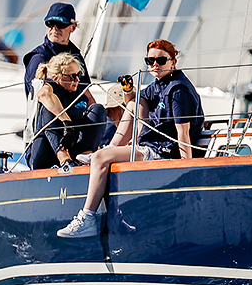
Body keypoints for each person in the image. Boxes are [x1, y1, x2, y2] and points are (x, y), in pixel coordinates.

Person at [57, 39, 204, 238]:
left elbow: (183, 133)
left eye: (160, 60)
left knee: (100, 159)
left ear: (173, 62)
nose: (154, 65)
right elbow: (134, 104)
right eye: (150, 60)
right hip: (150, 145)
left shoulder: (178, 91)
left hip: (163, 151)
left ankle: (88, 217)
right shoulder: (159, 84)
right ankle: (108, 150)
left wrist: (186, 171)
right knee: (135, 103)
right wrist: (128, 90)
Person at [25, 53, 109, 170]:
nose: (77, 79)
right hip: (45, 152)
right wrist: (67, 122)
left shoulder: (80, 90)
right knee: (47, 110)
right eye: (72, 76)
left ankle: (85, 156)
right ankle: (63, 158)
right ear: (56, 78)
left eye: (78, 75)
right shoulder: (50, 86)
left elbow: (97, 115)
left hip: (72, 147)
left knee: (97, 109)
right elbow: (43, 95)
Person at [22, 2, 91, 96]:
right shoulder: (38, 57)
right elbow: (40, 96)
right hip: (54, 109)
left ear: (73, 27)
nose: (54, 29)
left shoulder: (76, 55)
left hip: (76, 109)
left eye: (60, 24)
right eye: (50, 23)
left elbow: (85, 92)